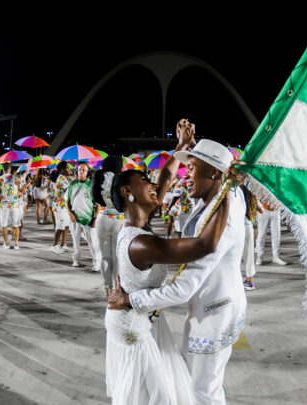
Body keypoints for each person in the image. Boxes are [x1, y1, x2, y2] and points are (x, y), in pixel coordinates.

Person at [109, 122, 247, 404]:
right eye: (145, 181)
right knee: (162, 389)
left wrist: (183, 147)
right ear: (127, 192)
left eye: (192, 169)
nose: (186, 175)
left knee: (199, 390)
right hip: (138, 322)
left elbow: (201, 249)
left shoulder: (223, 207)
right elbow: (200, 243)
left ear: (213, 172)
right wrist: (221, 181)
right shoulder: (141, 239)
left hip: (207, 310)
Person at [91, 155, 124, 294]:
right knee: (117, 257)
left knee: (105, 256)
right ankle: (117, 287)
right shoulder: (121, 178)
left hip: (102, 218)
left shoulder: (98, 177)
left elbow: (95, 197)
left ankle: (107, 287)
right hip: (119, 219)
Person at [67, 162, 101, 270]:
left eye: (84, 170)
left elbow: (97, 205)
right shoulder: (72, 184)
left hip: (88, 219)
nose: (81, 172)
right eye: (79, 170)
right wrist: (70, 214)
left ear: (88, 172)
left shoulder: (91, 185)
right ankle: (76, 260)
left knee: (93, 242)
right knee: (75, 241)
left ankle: (97, 262)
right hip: (74, 219)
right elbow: (67, 201)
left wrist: (95, 218)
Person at [0, 164, 25, 249]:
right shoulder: (16, 178)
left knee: (4, 225)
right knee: (16, 225)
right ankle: (16, 243)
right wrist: (25, 186)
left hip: (4, 205)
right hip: (15, 205)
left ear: (3, 169)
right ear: (10, 169)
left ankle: (6, 243)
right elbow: (20, 190)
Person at [254, 197, 287, 265]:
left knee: (276, 234)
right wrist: (258, 205)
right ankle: (259, 256)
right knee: (261, 234)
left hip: (276, 209)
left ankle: (276, 256)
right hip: (263, 208)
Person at [50, 162, 72, 254]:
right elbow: (68, 190)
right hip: (59, 206)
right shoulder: (61, 178)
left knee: (66, 225)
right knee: (60, 226)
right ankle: (54, 245)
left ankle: (63, 244)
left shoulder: (63, 178)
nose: (69, 169)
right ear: (62, 169)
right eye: (67, 168)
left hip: (63, 206)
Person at [241, 185, 260, 291]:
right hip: (248, 226)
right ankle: (249, 280)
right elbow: (260, 210)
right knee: (249, 254)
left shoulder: (236, 194)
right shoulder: (252, 195)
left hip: (237, 227)